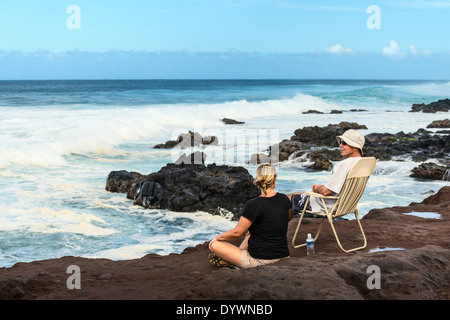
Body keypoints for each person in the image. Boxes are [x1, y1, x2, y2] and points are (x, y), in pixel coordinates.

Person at [208, 163, 293, 269]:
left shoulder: (254, 204)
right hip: (283, 256)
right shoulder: (285, 199)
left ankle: (235, 260)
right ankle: (236, 257)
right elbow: (286, 218)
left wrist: (217, 238)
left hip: (258, 261)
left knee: (215, 245)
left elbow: (237, 233)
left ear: (258, 181)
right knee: (250, 234)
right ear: (274, 180)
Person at [291, 129, 365, 214]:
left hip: (327, 206)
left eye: (344, 143)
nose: (340, 145)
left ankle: (280, 227)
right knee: (296, 196)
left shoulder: (343, 165)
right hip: (346, 206)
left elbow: (326, 192)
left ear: (355, 147)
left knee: (289, 198)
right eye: (340, 142)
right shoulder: (361, 163)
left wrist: (318, 188)